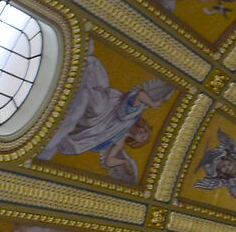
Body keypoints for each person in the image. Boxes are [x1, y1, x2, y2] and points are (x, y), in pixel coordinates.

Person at [37, 56, 172, 183]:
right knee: (98, 108)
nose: (141, 135)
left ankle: (59, 128)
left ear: (135, 142)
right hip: (107, 108)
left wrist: (124, 162)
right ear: (143, 127)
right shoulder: (134, 114)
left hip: (93, 128)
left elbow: (108, 162)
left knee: (77, 147)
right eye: (144, 133)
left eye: (141, 139)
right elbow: (140, 95)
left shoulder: (119, 141)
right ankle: (79, 84)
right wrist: (152, 104)